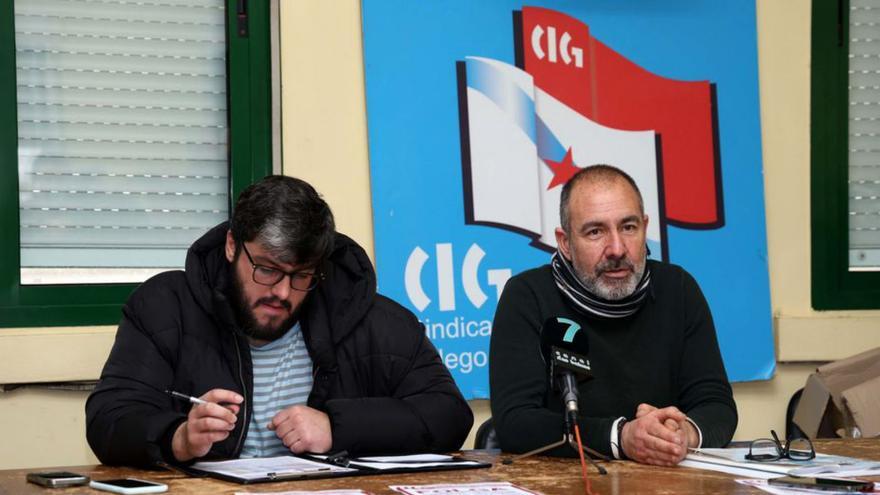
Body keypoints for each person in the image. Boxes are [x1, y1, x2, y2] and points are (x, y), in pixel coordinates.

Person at [86, 175, 473, 467]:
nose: (283, 293)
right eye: (268, 270)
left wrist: (336, 428)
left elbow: (449, 415)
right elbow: (108, 419)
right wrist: (179, 438)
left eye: (301, 275)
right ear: (232, 246)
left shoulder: (371, 319)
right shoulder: (165, 307)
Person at [489, 165, 737, 467]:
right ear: (565, 243)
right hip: (568, 482)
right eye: (595, 232)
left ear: (645, 227)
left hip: (666, 479)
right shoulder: (528, 296)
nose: (617, 249)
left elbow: (716, 404)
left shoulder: (678, 288)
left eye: (629, 227)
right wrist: (622, 437)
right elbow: (516, 422)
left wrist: (681, 434)